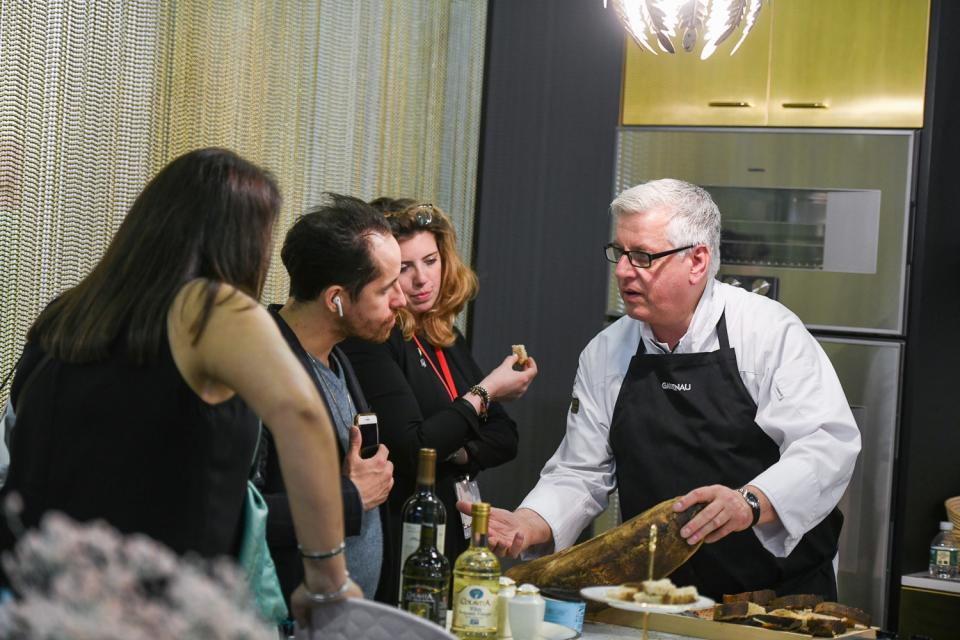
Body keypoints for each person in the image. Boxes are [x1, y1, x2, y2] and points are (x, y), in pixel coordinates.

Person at [0, 148, 359, 624]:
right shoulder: (208, 309)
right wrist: (327, 581)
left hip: (43, 603)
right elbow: (304, 414)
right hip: (154, 610)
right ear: (242, 243)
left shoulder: (69, 315)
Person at [462, 179, 860, 600]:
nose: (621, 270)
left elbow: (826, 445)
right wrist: (528, 523)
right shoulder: (606, 352)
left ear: (698, 261)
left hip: (779, 596)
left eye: (642, 257)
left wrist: (752, 502)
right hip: (663, 599)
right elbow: (581, 472)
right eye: (619, 253)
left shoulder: (766, 332)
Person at [340, 198, 538, 603]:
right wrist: (484, 394)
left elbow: (505, 437)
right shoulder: (377, 339)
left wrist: (452, 450)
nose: (421, 280)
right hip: (403, 530)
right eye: (404, 268)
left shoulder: (444, 336)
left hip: (453, 524)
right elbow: (415, 449)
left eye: (430, 261)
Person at [257, 193, 403, 603]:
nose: (402, 300)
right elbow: (239, 517)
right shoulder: (261, 370)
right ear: (336, 298)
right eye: (387, 288)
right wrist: (349, 498)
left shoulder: (338, 358)